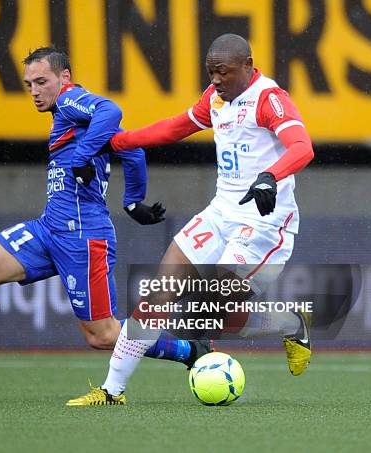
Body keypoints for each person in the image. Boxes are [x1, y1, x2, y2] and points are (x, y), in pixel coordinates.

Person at [0, 47, 212, 394]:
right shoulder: (75, 119)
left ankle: (190, 350)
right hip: (49, 228)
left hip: (83, 236)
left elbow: (111, 109)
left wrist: (90, 163)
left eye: (41, 81)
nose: (34, 91)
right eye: (28, 84)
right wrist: (132, 203)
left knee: (104, 335)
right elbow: (131, 149)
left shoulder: (70, 101)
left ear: (64, 77)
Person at [67, 34, 314, 406]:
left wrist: (270, 177)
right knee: (157, 295)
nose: (215, 80)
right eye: (211, 72)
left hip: (265, 222)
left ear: (248, 65)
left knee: (213, 312)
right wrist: (116, 143)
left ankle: (290, 324)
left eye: (223, 73)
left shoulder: (269, 99)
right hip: (220, 212)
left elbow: (302, 147)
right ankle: (111, 391)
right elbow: (174, 127)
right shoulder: (216, 98)